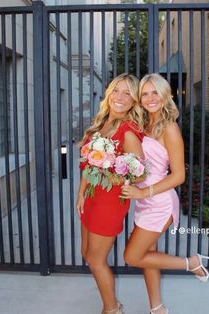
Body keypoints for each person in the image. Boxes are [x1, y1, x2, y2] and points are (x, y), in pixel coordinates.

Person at [121, 73, 209, 314]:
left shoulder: (169, 128)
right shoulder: (144, 123)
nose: (150, 98)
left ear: (165, 95)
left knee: (132, 256)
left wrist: (144, 193)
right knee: (147, 255)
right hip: (143, 200)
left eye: (155, 93)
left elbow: (178, 176)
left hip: (159, 202)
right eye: (145, 93)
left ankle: (191, 263)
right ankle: (157, 308)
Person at [76, 73, 144, 314]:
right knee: (87, 254)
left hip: (108, 203)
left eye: (128, 93)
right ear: (109, 93)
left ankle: (112, 309)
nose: (120, 97)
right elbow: (87, 162)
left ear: (135, 101)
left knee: (96, 260)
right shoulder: (101, 121)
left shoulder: (128, 131)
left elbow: (139, 172)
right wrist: (81, 192)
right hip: (92, 198)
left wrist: (111, 166)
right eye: (117, 90)